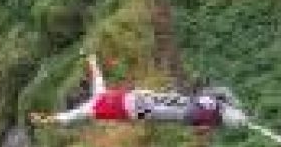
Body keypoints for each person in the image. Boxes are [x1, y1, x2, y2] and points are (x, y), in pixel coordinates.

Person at [29, 53, 249, 129]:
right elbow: (96, 72)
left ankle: (210, 111)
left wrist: (43, 120)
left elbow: (64, 118)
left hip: (137, 107)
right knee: (176, 102)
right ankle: (209, 105)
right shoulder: (97, 95)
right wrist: (91, 58)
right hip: (138, 97)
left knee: (174, 112)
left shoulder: (90, 107)